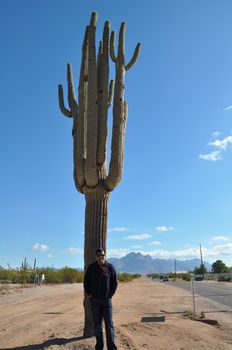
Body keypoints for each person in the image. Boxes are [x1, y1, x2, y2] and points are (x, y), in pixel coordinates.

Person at [84, 248, 118, 350]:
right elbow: (86, 282)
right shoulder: (91, 268)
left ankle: (111, 347)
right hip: (94, 301)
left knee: (109, 325)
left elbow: (114, 283)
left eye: (102, 255)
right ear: (96, 256)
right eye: (99, 255)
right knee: (97, 326)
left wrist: (110, 294)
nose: (101, 257)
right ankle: (99, 347)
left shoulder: (110, 267)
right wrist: (89, 294)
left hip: (107, 301)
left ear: (105, 256)